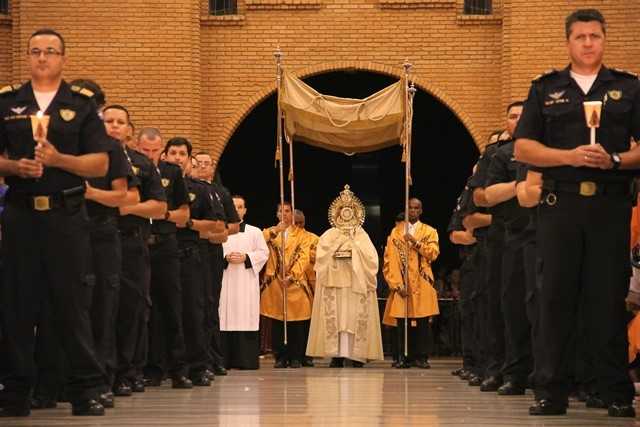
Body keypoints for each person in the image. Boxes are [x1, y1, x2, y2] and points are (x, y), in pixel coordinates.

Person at [514, 8, 640, 417]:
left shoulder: (628, 88)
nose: (588, 43)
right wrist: (568, 156)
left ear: (605, 39)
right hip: (560, 207)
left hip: (609, 206)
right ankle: (551, 391)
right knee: (555, 299)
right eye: (580, 36)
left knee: (608, 298)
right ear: (568, 41)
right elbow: (524, 147)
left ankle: (613, 391)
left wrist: (615, 160)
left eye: (595, 36)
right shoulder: (545, 88)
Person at [0, 28, 111, 417]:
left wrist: (59, 160)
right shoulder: (8, 102)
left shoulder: (80, 105)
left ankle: (86, 389)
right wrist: (15, 167)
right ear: (27, 57)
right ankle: (15, 391)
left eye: (50, 51)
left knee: (71, 302)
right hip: (21, 214)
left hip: (65, 216)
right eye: (35, 51)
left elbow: (100, 163)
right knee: (17, 303)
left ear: (63, 58)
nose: (42, 57)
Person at [103, 105, 167, 397]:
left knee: (131, 308)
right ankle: (96, 374)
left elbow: (160, 207)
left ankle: (126, 372)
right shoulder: (88, 159)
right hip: (95, 241)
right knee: (99, 308)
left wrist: (125, 207)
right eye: (109, 121)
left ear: (129, 130)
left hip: (130, 242)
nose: (114, 126)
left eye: (120, 122)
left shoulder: (141, 163)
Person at [164, 137, 226, 384]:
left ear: (189, 160)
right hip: (161, 252)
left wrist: (188, 223)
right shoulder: (157, 183)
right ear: (165, 156)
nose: (177, 158)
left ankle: (197, 366)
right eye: (173, 153)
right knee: (163, 312)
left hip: (190, 254)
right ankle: (160, 367)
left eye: (182, 154)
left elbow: (216, 225)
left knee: (193, 312)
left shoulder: (200, 189)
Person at [137, 127, 192, 390]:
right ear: (137, 147)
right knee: (140, 309)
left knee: (170, 306)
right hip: (138, 244)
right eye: (145, 150)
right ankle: (147, 368)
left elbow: (184, 215)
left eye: (155, 150)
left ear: (162, 150)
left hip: (166, 245)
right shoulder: (131, 169)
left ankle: (178, 369)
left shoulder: (172, 173)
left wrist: (163, 214)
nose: (150, 155)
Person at [483, 101, 532, 396]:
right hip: (512, 236)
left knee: (548, 306)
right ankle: (514, 372)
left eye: (523, 116)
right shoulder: (500, 155)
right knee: (512, 307)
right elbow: (487, 195)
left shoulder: (548, 151)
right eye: (512, 116)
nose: (518, 121)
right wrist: (521, 185)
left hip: (548, 235)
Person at [306, 186, 383, 367]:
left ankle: (357, 355)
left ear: (356, 213)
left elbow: (371, 259)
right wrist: (337, 248)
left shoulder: (361, 235)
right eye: (343, 210)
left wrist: (354, 252)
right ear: (337, 212)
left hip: (355, 283)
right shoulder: (329, 234)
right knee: (337, 318)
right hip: (335, 282)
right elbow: (321, 256)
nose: (347, 213)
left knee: (353, 317)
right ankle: (337, 355)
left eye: (350, 210)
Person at [194, 151, 241, 377]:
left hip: (211, 252)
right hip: (190, 248)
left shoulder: (221, 192)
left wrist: (216, 232)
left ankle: (213, 357)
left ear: (213, 168)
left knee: (211, 304)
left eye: (208, 163)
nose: (203, 166)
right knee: (194, 305)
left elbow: (234, 225)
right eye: (199, 163)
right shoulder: (188, 188)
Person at [383, 198, 439, 369]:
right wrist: (397, 284)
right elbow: (389, 259)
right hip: (403, 280)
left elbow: (433, 253)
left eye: (416, 208)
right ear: (406, 210)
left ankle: (421, 357)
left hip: (422, 281)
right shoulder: (396, 232)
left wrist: (415, 242)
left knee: (422, 323)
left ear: (421, 210)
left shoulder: (429, 231)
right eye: (410, 208)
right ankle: (402, 356)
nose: (413, 210)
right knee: (402, 322)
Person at [219, 195, 269, 369]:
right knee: (223, 316)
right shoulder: (219, 230)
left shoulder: (255, 232)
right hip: (225, 281)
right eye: (233, 206)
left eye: (240, 207)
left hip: (246, 282)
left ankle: (246, 361)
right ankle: (223, 361)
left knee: (245, 316)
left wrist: (246, 257)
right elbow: (210, 252)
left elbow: (263, 253)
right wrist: (224, 257)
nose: (236, 210)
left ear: (245, 210)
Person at [261, 201, 312, 368]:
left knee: (296, 322)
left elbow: (304, 257)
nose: (284, 214)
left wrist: (293, 275)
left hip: (295, 282)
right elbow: (259, 241)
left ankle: (296, 356)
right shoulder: (270, 232)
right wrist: (275, 230)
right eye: (281, 211)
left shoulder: (302, 235)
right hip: (275, 282)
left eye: (288, 211)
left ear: (292, 214)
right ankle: (280, 356)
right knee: (277, 322)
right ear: (277, 214)